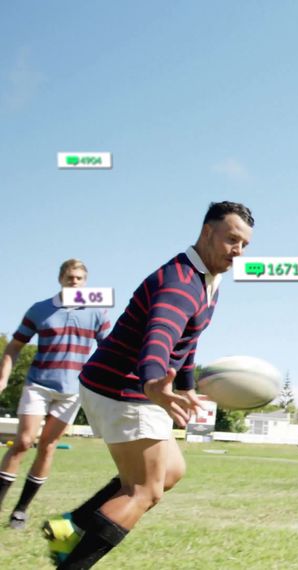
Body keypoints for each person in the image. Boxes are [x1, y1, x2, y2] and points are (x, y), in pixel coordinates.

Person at [41, 201, 254, 569]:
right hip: (124, 390)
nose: (238, 251)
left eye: (245, 245)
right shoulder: (181, 284)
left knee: (170, 471)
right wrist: (154, 380)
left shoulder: (207, 280)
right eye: (232, 240)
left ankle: (70, 525)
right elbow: (160, 336)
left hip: (119, 385)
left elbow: (188, 339)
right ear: (207, 233)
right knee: (144, 490)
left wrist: (185, 385)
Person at [0, 260, 110, 530]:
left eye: (80, 278)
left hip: (72, 391)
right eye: (70, 277)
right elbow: (14, 347)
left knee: (48, 447)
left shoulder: (97, 312)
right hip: (38, 384)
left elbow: (109, 349)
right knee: (24, 442)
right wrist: (3, 378)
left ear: (86, 282)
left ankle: (20, 511)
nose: (75, 282)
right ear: (61, 279)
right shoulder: (40, 310)